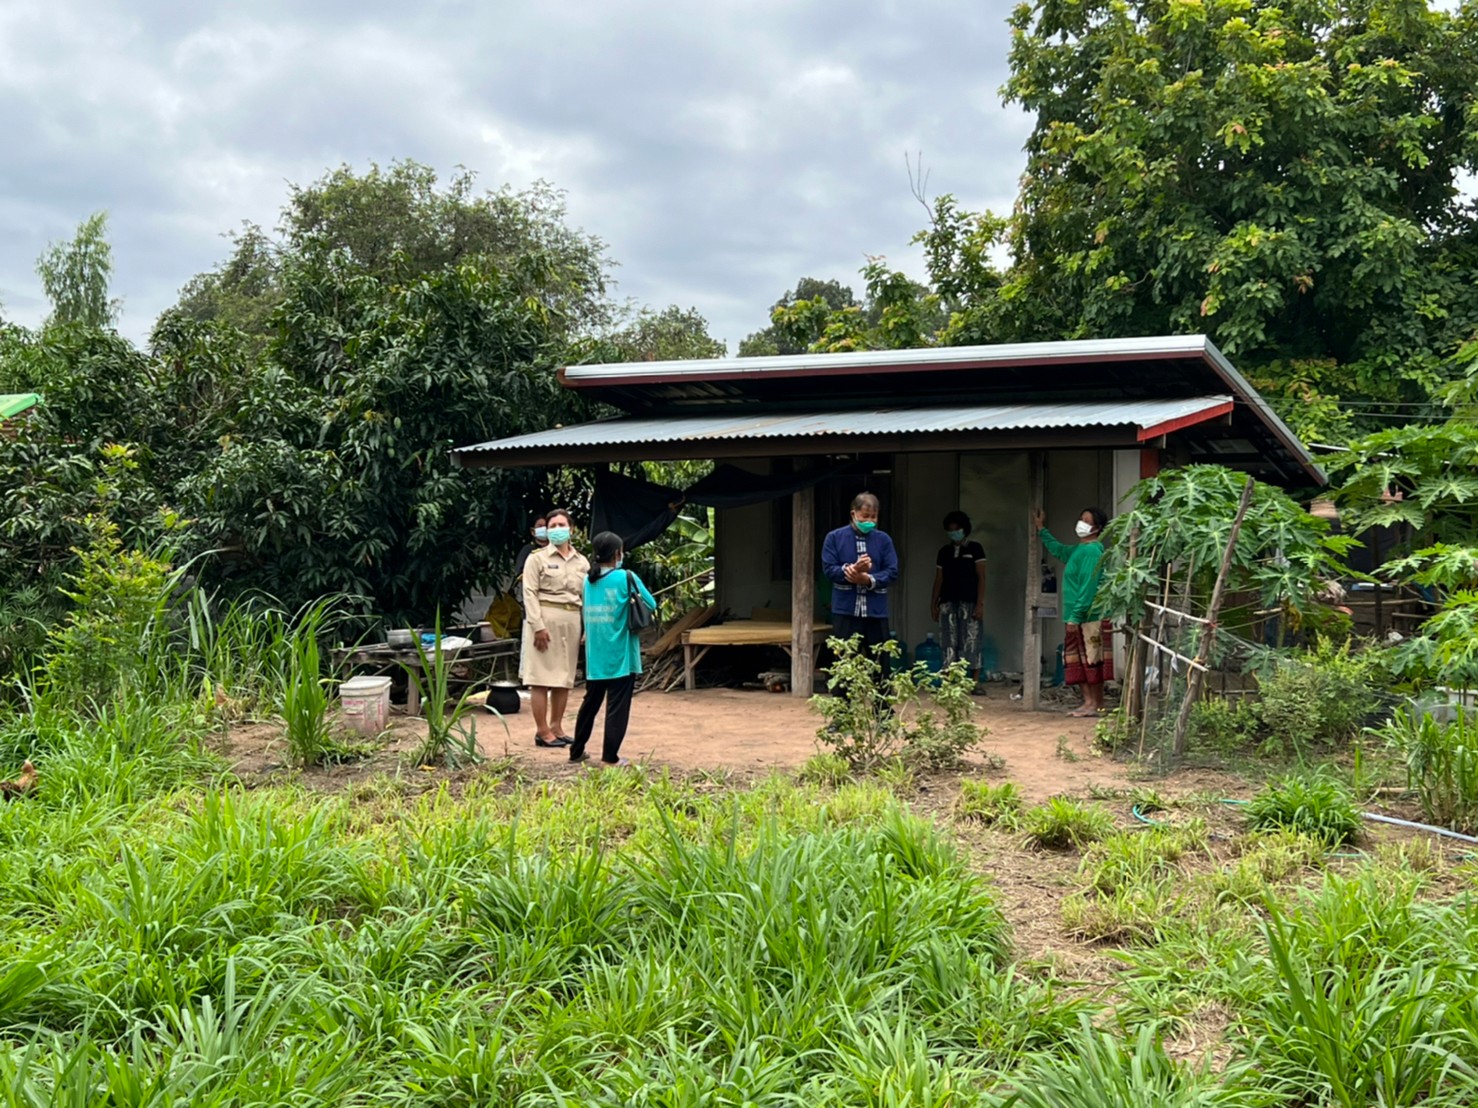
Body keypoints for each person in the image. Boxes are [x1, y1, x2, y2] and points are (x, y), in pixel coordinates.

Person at [569, 531, 655, 767]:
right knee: (617, 706)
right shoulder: (626, 577)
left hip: (595, 654)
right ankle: (610, 757)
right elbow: (651, 603)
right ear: (618, 553)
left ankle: (576, 751)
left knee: (590, 703)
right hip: (621, 654)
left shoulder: (588, 580)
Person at [521, 508, 589, 747]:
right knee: (540, 677)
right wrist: (538, 626)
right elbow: (529, 593)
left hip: (572, 619)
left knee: (564, 677)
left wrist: (587, 628)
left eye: (562, 525)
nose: (557, 530)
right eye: (552, 526)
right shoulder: (537, 558)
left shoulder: (582, 561)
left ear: (571, 529)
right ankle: (542, 731)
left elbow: (587, 596)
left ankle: (557, 726)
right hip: (545, 618)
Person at [1035, 506, 1113, 717]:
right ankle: (1088, 703)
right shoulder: (1080, 550)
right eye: (1081, 519)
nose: (1081, 523)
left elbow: (1088, 588)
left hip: (1088, 616)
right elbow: (1059, 550)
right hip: (1077, 615)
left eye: (1086, 520)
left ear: (1097, 528)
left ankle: (1096, 704)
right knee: (1078, 659)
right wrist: (1041, 529)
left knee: (1091, 660)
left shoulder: (1091, 551)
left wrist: (1075, 616)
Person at [822, 491, 900, 675]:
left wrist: (868, 579)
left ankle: (881, 704)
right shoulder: (834, 538)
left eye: (874, 517)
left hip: (876, 611)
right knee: (843, 662)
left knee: (881, 663)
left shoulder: (884, 540)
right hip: (845, 611)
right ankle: (843, 703)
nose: (870, 521)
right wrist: (852, 570)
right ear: (853, 514)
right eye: (865, 516)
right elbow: (829, 569)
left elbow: (892, 571)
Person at [931, 510, 987, 690]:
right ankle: (948, 682)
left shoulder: (975, 548)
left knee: (972, 639)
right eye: (950, 530)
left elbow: (981, 577)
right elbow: (938, 579)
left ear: (965, 529)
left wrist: (980, 604)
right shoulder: (944, 551)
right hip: (947, 601)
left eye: (957, 529)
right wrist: (933, 604)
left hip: (969, 601)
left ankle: (974, 682)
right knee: (948, 640)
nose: (954, 533)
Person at [512, 514, 549, 606]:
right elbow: (519, 573)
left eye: (546, 526)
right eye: (540, 526)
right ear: (533, 531)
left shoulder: (556, 551)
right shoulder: (528, 550)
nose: (544, 529)